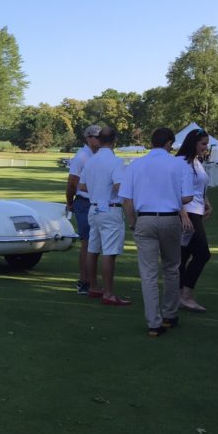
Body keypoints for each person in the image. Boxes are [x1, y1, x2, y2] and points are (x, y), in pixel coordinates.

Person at [120, 127, 194, 337]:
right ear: (169, 143)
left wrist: (133, 222)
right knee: (172, 268)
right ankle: (169, 314)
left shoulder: (136, 165)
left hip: (145, 218)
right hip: (170, 218)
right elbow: (188, 197)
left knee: (148, 273)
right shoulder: (179, 165)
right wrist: (171, 196)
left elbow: (127, 200)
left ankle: (154, 322)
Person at [78, 126, 129, 305]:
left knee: (93, 248)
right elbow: (119, 186)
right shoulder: (115, 162)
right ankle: (108, 292)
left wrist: (97, 187)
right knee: (109, 251)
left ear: (98, 140)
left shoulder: (91, 161)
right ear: (114, 140)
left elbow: (82, 186)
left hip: (93, 207)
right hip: (110, 207)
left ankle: (93, 287)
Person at [176, 129, 213, 312]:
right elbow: (176, 190)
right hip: (187, 213)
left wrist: (207, 202)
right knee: (202, 253)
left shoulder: (197, 162)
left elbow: (198, 188)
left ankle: (179, 295)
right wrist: (183, 214)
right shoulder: (181, 162)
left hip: (195, 211)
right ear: (193, 143)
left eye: (207, 144)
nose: (206, 148)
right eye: (203, 144)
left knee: (183, 255)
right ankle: (185, 295)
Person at [66, 124, 102, 294]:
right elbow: (72, 182)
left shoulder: (98, 154)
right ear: (88, 138)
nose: (99, 139)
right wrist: (70, 201)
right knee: (87, 243)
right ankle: (84, 281)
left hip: (97, 202)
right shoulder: (82, 156)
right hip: (85, 202)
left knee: (95, 243)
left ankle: (91, 280)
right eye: (96, 136)